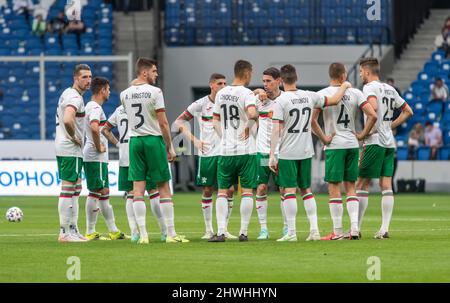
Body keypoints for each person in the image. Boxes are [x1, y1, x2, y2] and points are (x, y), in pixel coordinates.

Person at [269, 64, 352, 242]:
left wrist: (271, 155)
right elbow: (335, 100)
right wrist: (344, 86)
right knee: (306, 190)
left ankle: (291, 233)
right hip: (305, 151)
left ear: (281, 80)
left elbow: (276, 130)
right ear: (297, 77)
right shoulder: (309, 96)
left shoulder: (280, 102)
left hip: (287, 151)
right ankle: (314, 231)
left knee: (289, 190)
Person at [121, 57, 188, 244]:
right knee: (163, 187)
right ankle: (171, 234)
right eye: (154, 71)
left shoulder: (124, 94)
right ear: (144, 72)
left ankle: (142, 235)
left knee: (137, 189)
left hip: (134, 141)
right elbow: (163, 122)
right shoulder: (155, 92)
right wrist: (170, 147)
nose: (156, 74)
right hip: (152, 139)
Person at [312, 62, 377, 241]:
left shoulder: (322, 94)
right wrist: (363, 134)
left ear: (330, 75)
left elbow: (312, 120)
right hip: (351, 143)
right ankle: (354, 228)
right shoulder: (356, 93)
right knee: (350, 186)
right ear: (343, 76)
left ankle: (338, 231)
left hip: (335, 145)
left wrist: (324, 138)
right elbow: (373, 115)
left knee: (334, 187)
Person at [356, 57, 414, 239]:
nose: (360, 75)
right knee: (385, 184)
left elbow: (372, 110)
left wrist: (363, 133)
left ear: (366, 71)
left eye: (360, 72)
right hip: (389, 142)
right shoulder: (390, 89)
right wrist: (390, 125)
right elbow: (408, 111)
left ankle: (355, 228)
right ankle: (384, 228)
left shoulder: (369, 88)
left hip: (374, 141)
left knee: (361, 183)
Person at [174, 73, 237, 240]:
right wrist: (194, 140)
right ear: (211, 85)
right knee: (208, 189)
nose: (223, 86)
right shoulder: (200, 104)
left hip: (225, 153)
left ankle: (224, 229)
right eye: (219, 83)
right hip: (207, 154)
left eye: (225, 83)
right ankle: (209, 229)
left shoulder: (228, 103)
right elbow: (179, 122)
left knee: (229, 190)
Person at [102, 101, 168, 243]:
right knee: (153, 192)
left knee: (131, 195)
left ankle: (134, 233)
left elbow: (105, 129)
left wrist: (118, 143)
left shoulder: (119, 110)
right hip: (142, 154)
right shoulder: (143, 107)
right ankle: (164, 231)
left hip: (125, 156)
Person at [208, 60, 259, 242]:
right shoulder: (247, 94)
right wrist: (249, 126)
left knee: (222, 191)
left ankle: (221, 232)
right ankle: (243, 232)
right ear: (246, 73)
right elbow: (252, 114)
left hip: (226, 150)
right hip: (246, 150)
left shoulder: (221, 94)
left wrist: (224, 137)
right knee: (246, 191)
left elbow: (214, 120)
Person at [83, 77, 125, 241]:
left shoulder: (91, 106)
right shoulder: (95, 107)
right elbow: (95, 127)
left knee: (104, 191)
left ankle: (113, 230)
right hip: (95, 156)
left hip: (97, 157)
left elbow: (100, 129)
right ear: (102, 90)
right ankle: (90, 230)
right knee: (96, 191)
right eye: (107, 89)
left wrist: (116, 143)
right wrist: (98, 145)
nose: (109, 92)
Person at [55, 64, 91, 242]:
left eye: (90, 77)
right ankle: (64, 232)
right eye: (84, 77)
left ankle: (73, 229)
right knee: (68, 189)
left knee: (76, 188)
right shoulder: (75, 97)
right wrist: (74, 136)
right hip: (70, 148)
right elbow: (68, 119)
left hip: (64, 146)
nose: (88, 80)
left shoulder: (67, 93)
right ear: (75, 78)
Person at [252, 67, 286, 240]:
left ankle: (287, 227)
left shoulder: (286, 100)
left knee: (284, 189)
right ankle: (263, 229)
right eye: (263, 81)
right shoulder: (259, 100)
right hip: (263, 152)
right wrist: (256, 91)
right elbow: (247, 99)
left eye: (268, 81)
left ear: (279, 81)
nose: (265, 84)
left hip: (282, 152)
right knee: (261, 187)